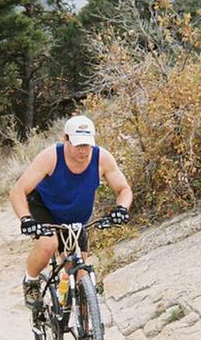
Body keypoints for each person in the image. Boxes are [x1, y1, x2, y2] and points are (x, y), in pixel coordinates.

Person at [10, 114, 133, 307]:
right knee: (48, 244)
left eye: (87, 145)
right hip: (44, 209)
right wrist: (26, 219)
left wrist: (122, 209)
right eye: (78, 144)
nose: (83, 151)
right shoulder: (51, 157)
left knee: (80, 274)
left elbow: (123, 189)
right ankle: (31, 280)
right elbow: (18, 190)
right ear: (65, 138)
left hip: (76, 219)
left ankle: (85, 329)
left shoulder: (102, 158)